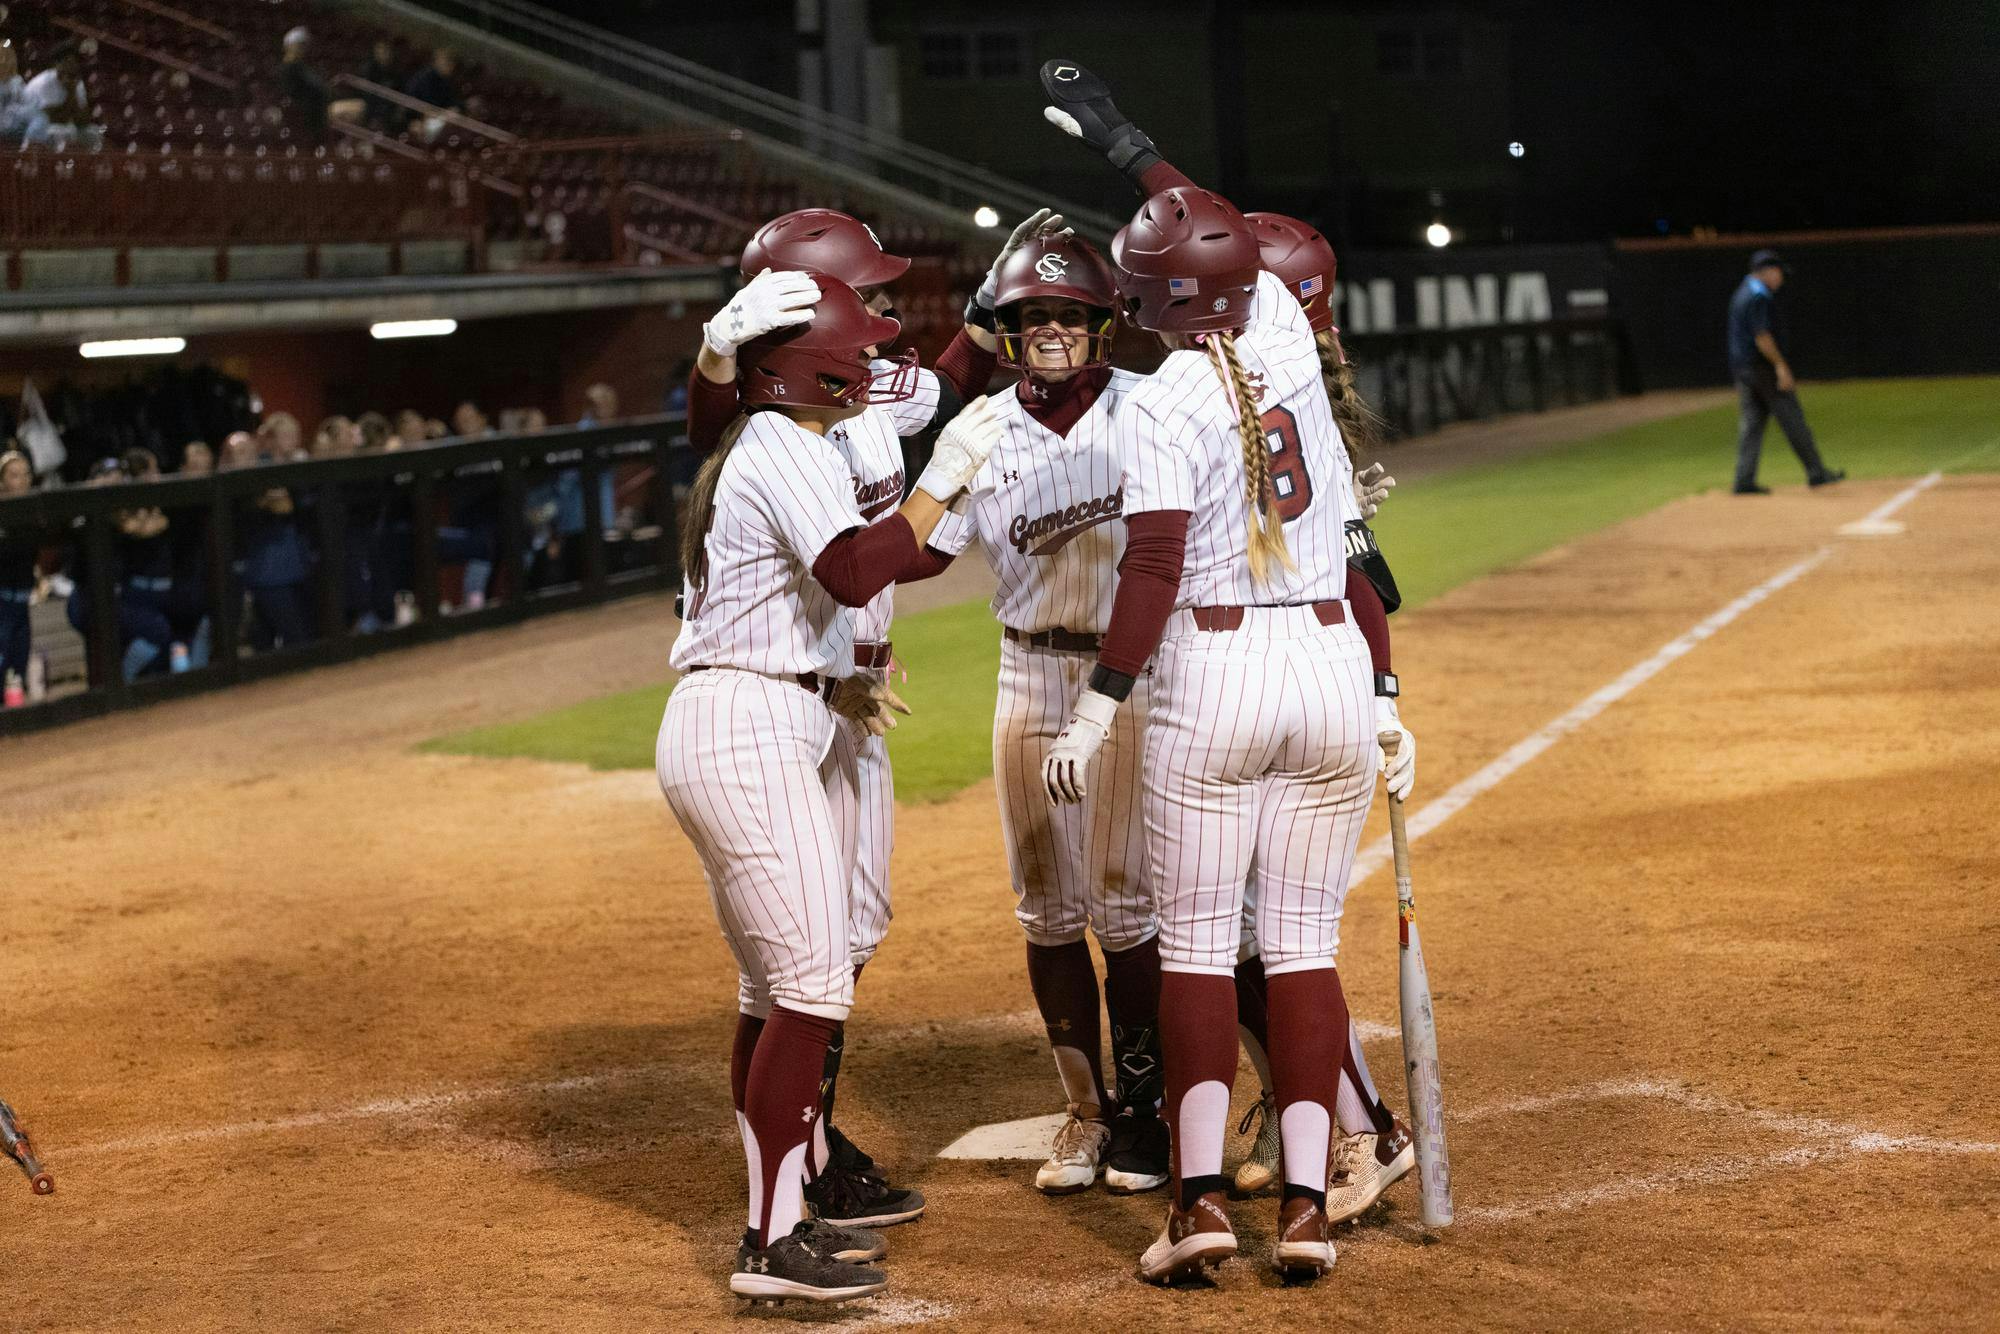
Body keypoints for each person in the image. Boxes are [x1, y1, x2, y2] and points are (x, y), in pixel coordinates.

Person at [1042, 59, 1419, 1223]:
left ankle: (1197, 1199)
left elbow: (1149, 569)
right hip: (1327, 668)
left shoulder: (1155, 401)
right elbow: (1205, 228)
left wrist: (1099, 701)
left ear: (1146, 298)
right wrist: (1129, 142)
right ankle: (1309, 1200)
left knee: (1201, 948)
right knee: (1302, 947)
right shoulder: (1295, 351)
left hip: (1212, 670)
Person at [655, 275, 1000, 1302]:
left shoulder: (771, 436)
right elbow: (853, 570)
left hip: (768, 712)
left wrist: (838, 681)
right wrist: (942, 480)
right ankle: (770, 1237)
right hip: (746, 727)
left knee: (780, 987)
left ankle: (787, 1203)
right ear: (814, 365)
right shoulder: (779, 444)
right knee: (811, 983)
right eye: (856, 341)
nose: (872, 353)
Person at [919, 225, 1172, 1197]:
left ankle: (1143, 1114)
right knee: (1046, 907)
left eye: (1068, 314)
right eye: (1033, 317)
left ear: (1099, 323)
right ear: (1007, 330)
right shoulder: (981, 429)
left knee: (1124, 903)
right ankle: (1083, 1110)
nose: (1052, 331)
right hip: (1025, 675)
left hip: (1128, 680)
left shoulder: (1146, 408)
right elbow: (919, 551)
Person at [1727, 249, 1844, 495]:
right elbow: (1762, 337)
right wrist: (1780, 365)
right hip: (1762, 369)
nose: (1780, 278)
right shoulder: (1758, 296)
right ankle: (1816, 471)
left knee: (1752, 425)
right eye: (1779, 272)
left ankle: (1743, 479)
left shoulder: (1742, 291)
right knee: (1792, 417)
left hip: (1744, 369)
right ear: (1768, 271)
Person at [0, 447, 38, 701]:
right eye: (14, 475)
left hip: (21, 603)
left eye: (25, 474)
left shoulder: (34, 515)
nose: (22, 480)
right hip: (1, 604)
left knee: (18, 670)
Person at [22, 41, 102, 151]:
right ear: (57, 63)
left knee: (94, 133)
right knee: (59, 132)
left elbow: (83, 121)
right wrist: (70, 94)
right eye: (67, 61)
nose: (71, 65)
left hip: (61, 127)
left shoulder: (76, 82)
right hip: (30, 129)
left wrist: (72, 91)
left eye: (74, 61)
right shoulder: (44, 82)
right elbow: (50, 119)